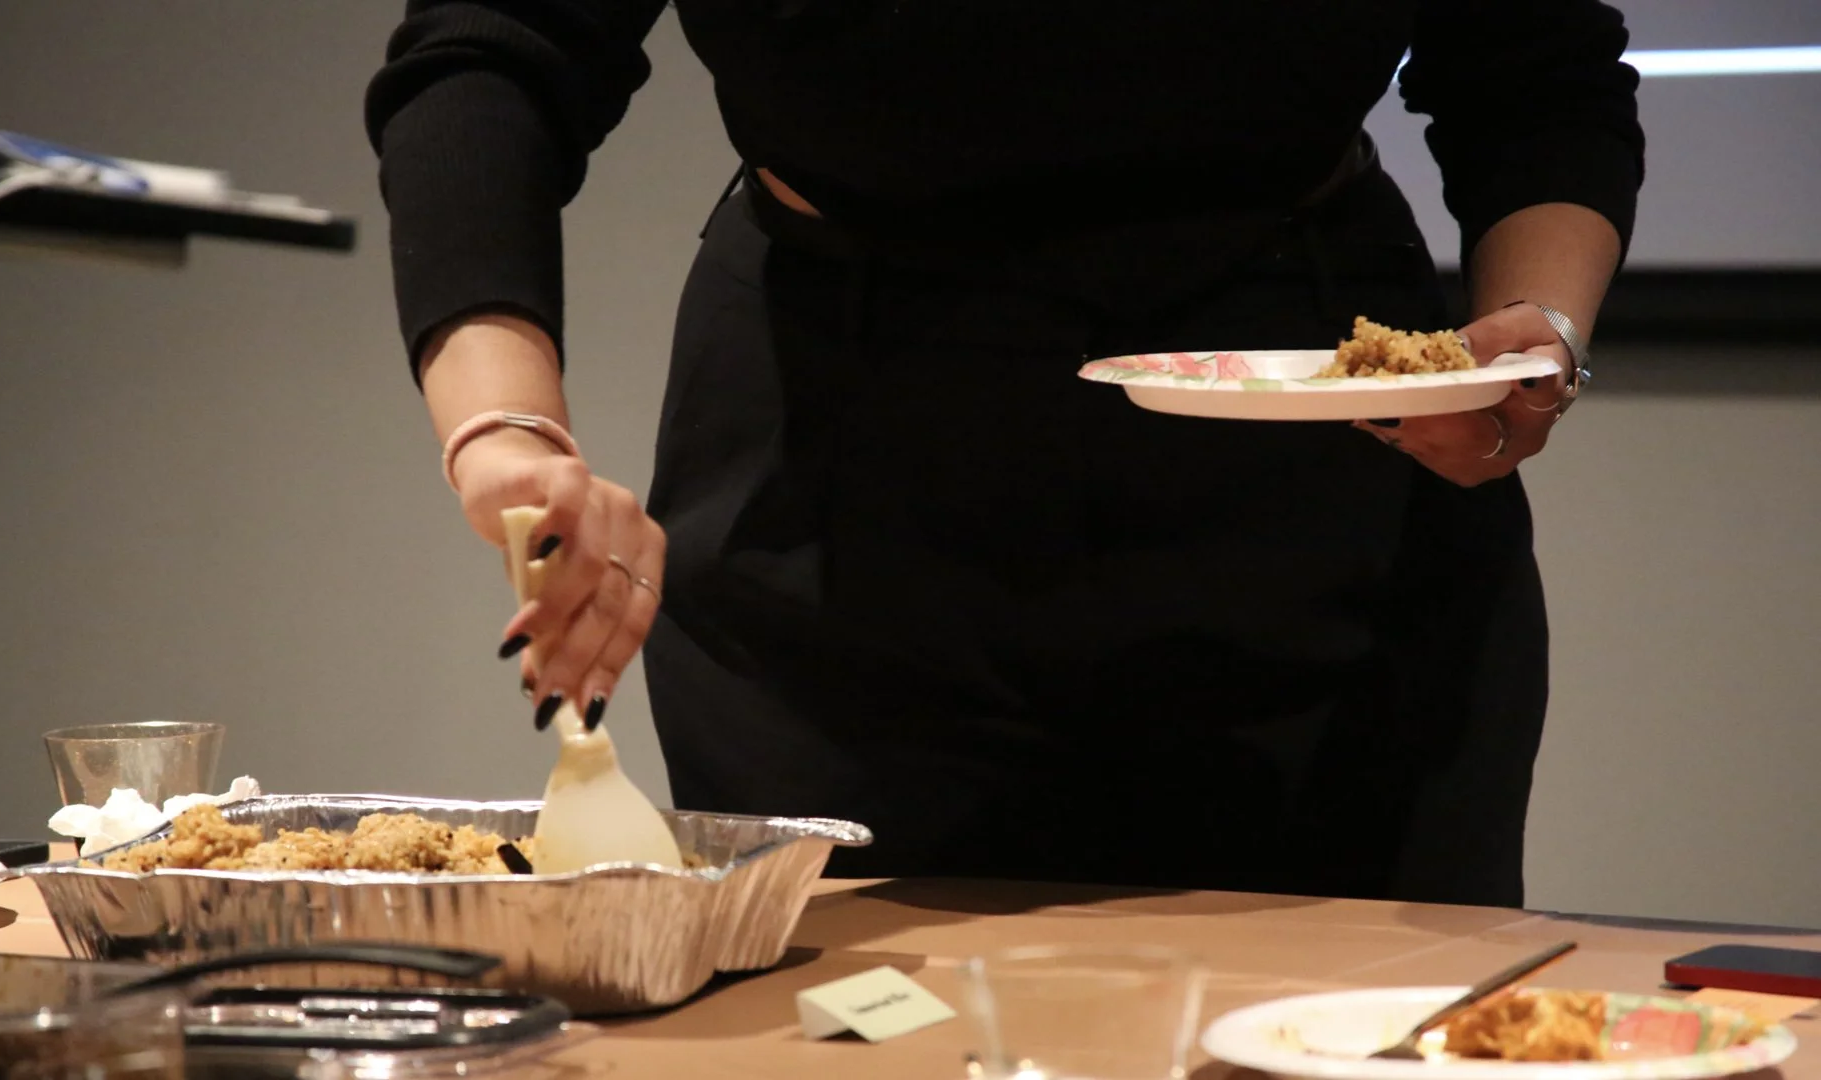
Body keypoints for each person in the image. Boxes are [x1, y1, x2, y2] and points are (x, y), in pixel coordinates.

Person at [364, 0, 1643, 906]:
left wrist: (1540, 333)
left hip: (1318, 469)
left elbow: (1535, 69)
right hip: (837, 478)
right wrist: (505, 434)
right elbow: (496, 49)